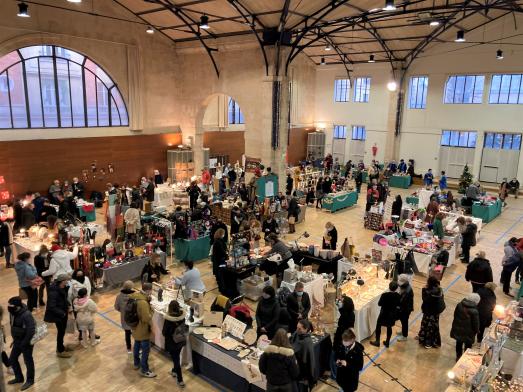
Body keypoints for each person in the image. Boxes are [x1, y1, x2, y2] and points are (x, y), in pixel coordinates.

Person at [6, 297, 35, 391]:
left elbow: (31, 330)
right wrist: (14, 339)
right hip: (17, 341)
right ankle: (19, 377)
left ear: (18, 306)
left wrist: (24, 343)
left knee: (28, 361)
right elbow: (13, 326)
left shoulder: (27, 314)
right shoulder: (12, 312)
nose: (9, 308)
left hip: (26, 342)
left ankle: (30, 380)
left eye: (11, 306)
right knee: (12, 359)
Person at [44, 274, 73, 358]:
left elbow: (63, 299)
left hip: (63, 313)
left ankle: (61, 347)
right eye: (67, 280)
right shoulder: (54, 291)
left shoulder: (62, 288)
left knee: (62, 331)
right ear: (62, 281)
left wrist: (68, 305)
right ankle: (60, 351)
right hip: (58, 316)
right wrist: (62, 313)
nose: (68, 282)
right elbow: (51, 306)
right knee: (60, 332)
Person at [130, 282, 155, 378]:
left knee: (136, 344)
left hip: (135, 327)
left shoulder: (136, 296)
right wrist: (151, 310)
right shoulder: (143, 303)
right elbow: (146, 318)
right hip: (142, 329)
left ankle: (136, 363)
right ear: (148, 290)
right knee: (145, 350)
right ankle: (144, 370)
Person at [162, 300, 187, 388]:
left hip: (172, 343)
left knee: (176, 360)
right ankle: (174, 371)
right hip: (180, 340)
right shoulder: (182, 316)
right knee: (176, 357)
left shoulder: (168, 320)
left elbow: (164, 332)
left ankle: (180, 380)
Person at [370, 281, 400, 348]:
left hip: (384, 313)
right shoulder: (398, 295)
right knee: (389, 327)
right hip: (392, 314)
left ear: (389, 287)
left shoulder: (384, 295)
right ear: (396, 288)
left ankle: (377, 341)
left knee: (378, 325)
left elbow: (379, 304)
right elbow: (398, 304)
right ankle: (387, 342)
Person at [450, 293, 480, 361]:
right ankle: (465, 359)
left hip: (458, 328)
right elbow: (475, 323)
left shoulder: (459, 305)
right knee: (468, 346)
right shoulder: (474, 311)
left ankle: (458, 357)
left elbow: (455, 315)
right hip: (469, 332)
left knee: (459, 343)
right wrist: (477, 331)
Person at [418, 276, 445, 349]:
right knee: (433, 326)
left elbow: (425, 299)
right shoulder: (440, 290)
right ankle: (433, 342)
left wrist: (424, 289)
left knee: (426, 324)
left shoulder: (426, 290)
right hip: (435, 312)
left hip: (428, 311)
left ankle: (427, 342)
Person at [290, 319, 315, 392]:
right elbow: (290, 340)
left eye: (299, 328)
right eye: (297, 327)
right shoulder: (297, 333)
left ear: (306, 329)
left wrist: (309, 380)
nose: (297, 330)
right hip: (294, 371)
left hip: (302, 376)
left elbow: (310, 362)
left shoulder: (307, 343)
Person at [114, 280, 135, 354]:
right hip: (134, 318)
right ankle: (138, 347)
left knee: (127, 333)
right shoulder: (135, 296)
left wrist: (122, 312)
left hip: (124, 318)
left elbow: (116, 307)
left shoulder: (119, 296)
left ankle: (129, 348)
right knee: (136, 332)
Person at [397, 274, 414, 342]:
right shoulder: (406, 285)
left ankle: (405, 336)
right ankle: (403, 331)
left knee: (404, 322)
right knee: (402, 321)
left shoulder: (407, 291)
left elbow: (402, 301)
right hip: (405, 308)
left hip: (406, 309)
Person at [211, 228, 228, 294]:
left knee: (220, 274)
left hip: (219, 261)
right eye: (223, 233)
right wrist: (226, 254)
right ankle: (222, 289)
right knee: (220, 274)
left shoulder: (218, 241)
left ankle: (222, 287)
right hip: (219, 261)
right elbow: (222, 251)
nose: (224, 235)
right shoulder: (218, 242)